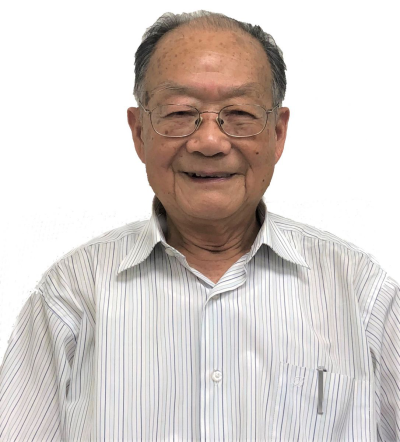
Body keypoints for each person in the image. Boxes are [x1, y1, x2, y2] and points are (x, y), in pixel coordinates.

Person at [0, 10, 399, 442]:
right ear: (139, 132)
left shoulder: (361, 293)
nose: (209, 141)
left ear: (278, 133)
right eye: (179, 112)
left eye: (240, 112)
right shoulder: (73, 293)